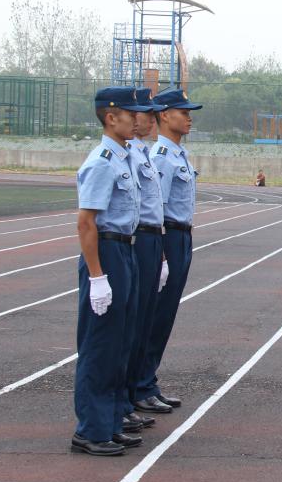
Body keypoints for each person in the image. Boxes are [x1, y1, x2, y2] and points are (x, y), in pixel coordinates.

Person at [72, 87, 153, 456]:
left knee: (121, 343)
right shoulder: (102, 161)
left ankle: (110, 421)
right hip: (106, 252)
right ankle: (90, 430)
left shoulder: (124, 157)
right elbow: (86, 222)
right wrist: (97, 277)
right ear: (111, 117)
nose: (137, 120)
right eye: (130, 113)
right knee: (101, 345)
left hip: (125, 249)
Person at [133, 88, 202, 415]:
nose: (189, 118)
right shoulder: (161, 156)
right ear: (164, 115)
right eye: (183, 112)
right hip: (167, 237)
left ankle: (148, 381)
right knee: (156, 314)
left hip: (182, 236)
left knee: (166, 314)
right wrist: (161, 253)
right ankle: (141, 385)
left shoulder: (178, 154)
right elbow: (155, 209)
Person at [119, 88, 168, 434]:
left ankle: (133, 392)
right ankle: (125, 398)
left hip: (152, 238)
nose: (151, 120)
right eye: (145, 113)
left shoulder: (142, 153)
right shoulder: (129, 155)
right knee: (128, 327)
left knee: (146, 320)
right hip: (133, 240)